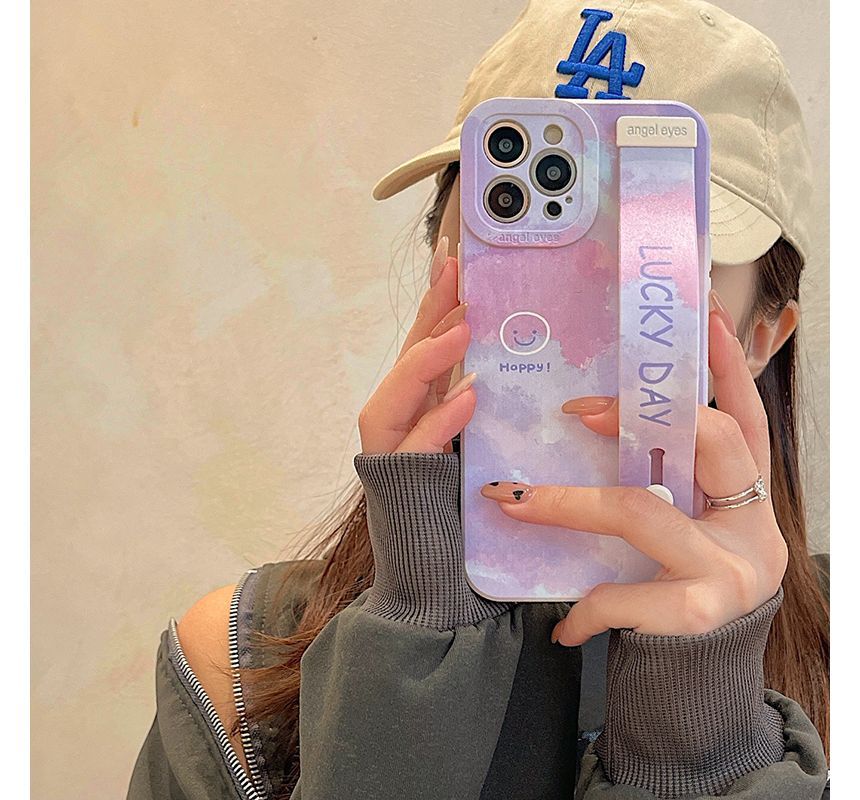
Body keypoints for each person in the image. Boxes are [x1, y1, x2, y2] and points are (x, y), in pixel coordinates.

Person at [126, 1, 830, 798]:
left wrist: (702, 739)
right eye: (521, 232)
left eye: (655, 253)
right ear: (445, 264)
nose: (583, 299)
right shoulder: (239, 660)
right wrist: (416, 656)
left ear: (760, 335)